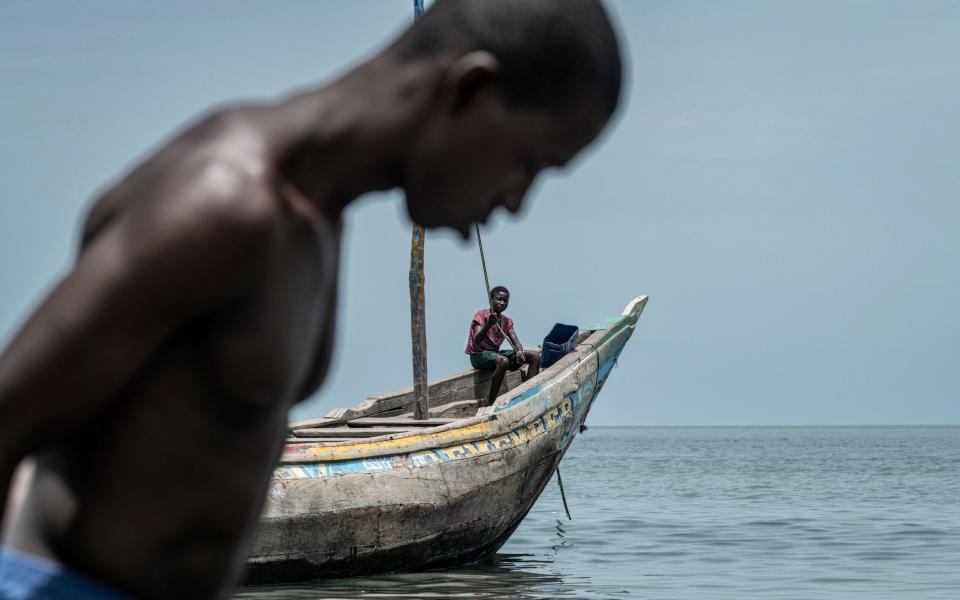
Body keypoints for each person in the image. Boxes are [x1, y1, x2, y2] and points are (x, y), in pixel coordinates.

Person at [0, 1, 623, 598]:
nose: (516, 200)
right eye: (529, 162)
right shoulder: (226, 204)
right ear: (470, 92)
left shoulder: (312, 223)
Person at [466, 286, 541, 407]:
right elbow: (476, 340)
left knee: (534, 356)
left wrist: (520, 351)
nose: (502, 303)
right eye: (499, 299)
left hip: (495, 354)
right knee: (503, 361)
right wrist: (489, 324)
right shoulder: (481, 315)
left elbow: (516, 341)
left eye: (505, 301)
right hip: (479, 355)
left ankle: (528, 394)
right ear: (491, 300)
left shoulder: (507, 321)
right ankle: (491, 403)